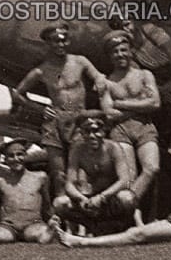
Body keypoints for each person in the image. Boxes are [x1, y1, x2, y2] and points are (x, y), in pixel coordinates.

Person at [12, 22, 107, 196]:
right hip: (55, 122)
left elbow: (99, 77)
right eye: (56, 41)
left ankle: (83, 214)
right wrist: (39, 108)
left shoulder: (80, 61)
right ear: (48, 43)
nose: (60, 44)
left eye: (64, 40)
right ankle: (61, 216)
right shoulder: (41, 71)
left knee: (81, 170)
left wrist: (100, 84)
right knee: (59, 173)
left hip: (79, 122)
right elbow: (17, 94)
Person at [100, 30, 161, 205]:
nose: (120, 55)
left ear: (131, 51)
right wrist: (141, 104)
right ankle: (129, 214)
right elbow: (108, 115)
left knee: (152, 168)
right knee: (128, 176)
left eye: (123, 50)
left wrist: (120, 104)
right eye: (115, 51)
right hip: (120, 131)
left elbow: (155, 104)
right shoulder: (106, 82)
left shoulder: (145, 75)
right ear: (109, 55)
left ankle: (124, 205)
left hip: (144, 128)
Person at [108, 15, 171, 150]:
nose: (126, 29)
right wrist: (157, 90)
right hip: (156, 78)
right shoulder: (128, 48)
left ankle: (162, 146)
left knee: (169, 109)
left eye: (127, 24)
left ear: (133, 22)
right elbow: (135, 69)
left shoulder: (149, 30)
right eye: (121, 28)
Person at [53, 117, 136, 231]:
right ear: (81, 133)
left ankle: (120, 227)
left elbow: (124, 180)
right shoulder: (77, 150)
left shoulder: (113, 148)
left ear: (103, 132)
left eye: (96, 131)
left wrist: (102, 197)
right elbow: (69, 184)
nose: (92, 136)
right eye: (87, 131)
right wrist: (81, 198)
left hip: (109, 197)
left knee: (127, 198)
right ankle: (90, 226)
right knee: (60, 203)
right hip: (88, 198)